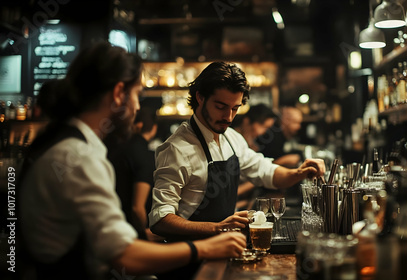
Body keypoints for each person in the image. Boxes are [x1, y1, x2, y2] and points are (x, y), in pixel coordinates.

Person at [19, 42, 246, 280]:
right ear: (119, 94)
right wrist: (208, 247)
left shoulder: (65, 143)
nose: (138, 106)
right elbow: (125, 256)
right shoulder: (78, 157)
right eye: (138, 94)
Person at [149, 62, 325, 241]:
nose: (229, 117)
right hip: (189, 258)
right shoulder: (177, 149)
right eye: (220, 107)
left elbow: (266, 171)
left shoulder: (231, 138)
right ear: (200, 97)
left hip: (222, 249)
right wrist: (217, 228)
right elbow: (160, 220)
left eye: (235, 108)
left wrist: (299, 173)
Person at [106, 107, 162, 242]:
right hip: (131, 234)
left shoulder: (115, 150)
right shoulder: (145, 155)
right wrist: (143, 234)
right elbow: (137, 208)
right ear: (153, 129)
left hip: (113, 224)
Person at [232, 104, 277, 209]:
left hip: (242, 201)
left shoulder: (252, 144)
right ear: (247, 121)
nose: (263, 132)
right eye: (263, 127)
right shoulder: (231, 142)